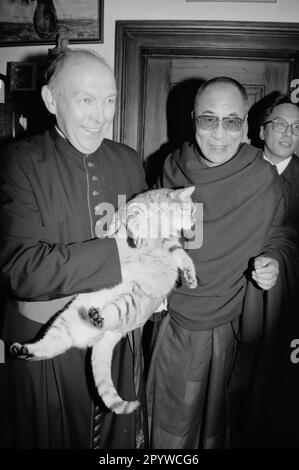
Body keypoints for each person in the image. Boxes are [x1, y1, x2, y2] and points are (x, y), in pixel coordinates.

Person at [0, 49, 155, 449]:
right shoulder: (16, 163)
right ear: (51, 100)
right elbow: (22, 269)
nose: (100, 115)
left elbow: (148, 240)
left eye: (109, 101)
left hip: (116, 335)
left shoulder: (127, 159)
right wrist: (121, 255)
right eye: (85, 100)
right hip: (48, 340)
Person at [146, 77, 296, 449]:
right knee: (170, 428)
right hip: (177, 319)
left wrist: (272, 261)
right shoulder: (171, 166)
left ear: (246, 126)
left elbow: (281, 234)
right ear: (193, 118)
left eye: (231, 122)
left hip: (232, 321)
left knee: (219, 425)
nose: (218, 134)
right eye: (208, 120)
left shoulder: (263, 178)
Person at [245, 94, 299, 448]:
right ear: (262, 131)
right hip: (236, 300)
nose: (288, 133)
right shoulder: (237, 169)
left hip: (288, 306)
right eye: (280, 124)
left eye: (296, 128)